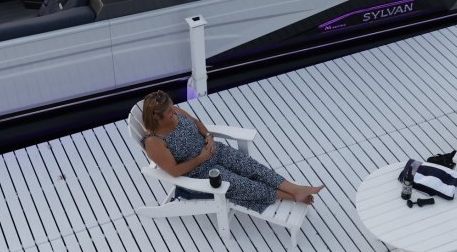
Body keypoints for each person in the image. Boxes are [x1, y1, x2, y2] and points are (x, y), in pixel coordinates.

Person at [138, 90, 323, 212]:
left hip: (214, 150)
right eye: (169, 113)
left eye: (172, 108)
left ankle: (295, 188)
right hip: (199, 171)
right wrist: (202, 158)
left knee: (252, 167)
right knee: (242, 184)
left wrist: (208, 136)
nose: (174, 112)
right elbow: (174, 171)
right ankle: (290, 196)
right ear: (156, 117)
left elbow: (196, 123)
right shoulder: (154, 142)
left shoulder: (174, 111)